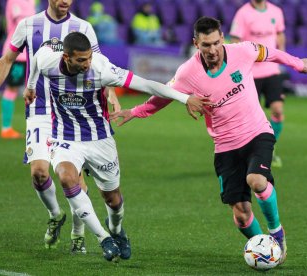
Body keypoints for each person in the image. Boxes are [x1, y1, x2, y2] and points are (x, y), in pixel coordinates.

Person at [111, 17, 307, 265]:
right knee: (241, 214)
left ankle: (277, 234)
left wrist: (298, 64)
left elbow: (270, 53)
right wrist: (134, 112)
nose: (213, 50)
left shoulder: (243, 51)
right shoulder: (187, 73)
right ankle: (266, 248)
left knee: (257, 180)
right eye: (206, 45)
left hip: (257, 132)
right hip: (225, 146)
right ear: (196, 44)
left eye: (217, 42)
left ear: (223, 38)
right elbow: (164, 96)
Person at [23, 32, 211, 261]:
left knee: (112, 199)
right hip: (65, 137)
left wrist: (185, 98)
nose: (87, 64)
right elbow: (35, 62)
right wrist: (31, 86)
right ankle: (104, 238)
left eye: (89, 58)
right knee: (65, 177)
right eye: (81, 60)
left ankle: (116, 229)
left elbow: (148, 85)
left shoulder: (101, 68)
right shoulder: (48, 61)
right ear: (66, 58)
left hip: (100, 140)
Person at [0, 0, 121, 255]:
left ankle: (78, 234)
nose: (65, 1)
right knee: (39, 173)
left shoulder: (83, 27)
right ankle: (55, 215)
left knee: (74, 176)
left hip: (71, 111)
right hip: (39, 110)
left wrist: (111, 95)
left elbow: (99, 65)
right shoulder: (28, 25)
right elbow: (8, 57)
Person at [229, 0, 287, 167]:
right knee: (249, 118)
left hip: (272, 70)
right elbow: (234, 40)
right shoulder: (242, 13)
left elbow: (280, 33)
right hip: (250, 73)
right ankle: (244, 153)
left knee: (277, 110)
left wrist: (281, 54)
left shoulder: (276, 11)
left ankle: (269, 149)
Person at [0, 0, 35, 139]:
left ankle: (35, 128)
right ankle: (6, 128)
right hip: (17, 53)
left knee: (35, 90)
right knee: (12, 89)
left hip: (30, 52)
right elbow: (23, 22)